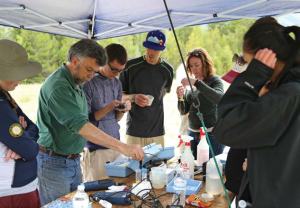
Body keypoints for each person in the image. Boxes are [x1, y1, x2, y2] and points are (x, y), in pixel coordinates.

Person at [36, 39, 144, 205]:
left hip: (71, 160)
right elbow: (82, 125)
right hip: (54, 164)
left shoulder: (77, 81)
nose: (91, 76)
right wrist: (123, 147)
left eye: (94, 71)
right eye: (89, 70)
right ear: (74, 61)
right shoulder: (59, 86)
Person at [213, 16, 300, 207]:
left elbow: (226, 127)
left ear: (266, 59)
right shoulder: (289, 91)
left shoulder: (289, 95)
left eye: (248, 63)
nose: (246, 68)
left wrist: (254, 75)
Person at [0, 39, 42, 208]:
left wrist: (24, 136)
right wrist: (23, 142)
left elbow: (33, 127)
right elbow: (30, 150)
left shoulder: (5, 97)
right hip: (11, 192)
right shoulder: (1, 105)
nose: (21, 79)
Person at [82, 43, 131, 181]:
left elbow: (115, 118)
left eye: (120, 71)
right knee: (96, 195)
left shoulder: (116, 83)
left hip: (115, 145)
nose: (116, 74)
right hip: (96, 149)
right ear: (103, 61)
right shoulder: (89, 82)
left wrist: (123, 110)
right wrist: (108, 107)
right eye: (114, 69)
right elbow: (85, 122)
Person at [120, 30, 174, 147]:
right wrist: (134, 98)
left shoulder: (168, 70)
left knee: (158, 165)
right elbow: (119, 97)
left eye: (155, 49)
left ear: (161, 49)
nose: (151, 52)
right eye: (149, 48)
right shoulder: (130, 67)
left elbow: (162, 95)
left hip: (157, 133)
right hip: (134, 132)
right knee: (132, 165)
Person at [176, 48, 224, 159]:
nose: (194, 69)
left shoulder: (214, 81)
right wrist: (180, 98)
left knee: (211, 169)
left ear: (205, 64)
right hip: (192, 134)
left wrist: (197, 83)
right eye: (191, 66)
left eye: (197, 65)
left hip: (212, 135)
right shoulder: (192, 83)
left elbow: (220, 98)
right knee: (194, 170)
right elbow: (184, 111)